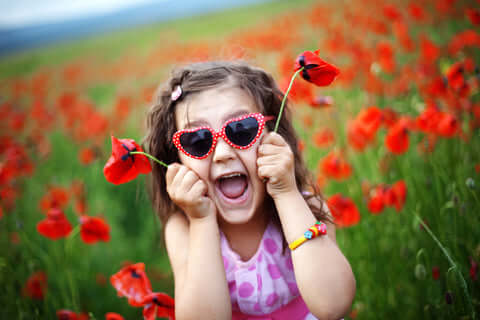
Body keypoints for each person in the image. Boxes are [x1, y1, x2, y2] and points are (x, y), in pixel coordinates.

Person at [143, 61, 356, 320]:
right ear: (176, 159)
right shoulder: (184, 228)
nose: (222, 154)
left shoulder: (308, 209)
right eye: (197, 140)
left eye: (242, 129)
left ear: (275, 136)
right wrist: (202, 220)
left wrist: (286, 194)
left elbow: (333, 305)